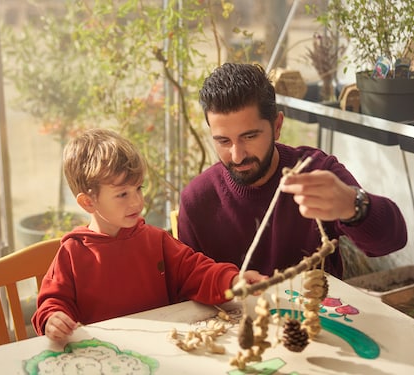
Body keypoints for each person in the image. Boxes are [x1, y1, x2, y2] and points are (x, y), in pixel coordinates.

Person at [32, 128, 265, 341]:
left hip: (163, 350)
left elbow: (196, 271)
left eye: (139, 188)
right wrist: (53, 319)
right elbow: (52, 304)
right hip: (107, 357)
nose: (137, 201)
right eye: (122, 194)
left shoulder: (156, 240)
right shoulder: (72, 253)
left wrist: (233, 280)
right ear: (88, 202)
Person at [177, 63, 407, 278]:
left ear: (277, 126)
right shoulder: (198, 200)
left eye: (249, 136)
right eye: (223, 141)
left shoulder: (315, 172)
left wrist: (354, 205)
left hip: (317, 317)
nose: (237, 155)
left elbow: (391, 240)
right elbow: (188, 286)